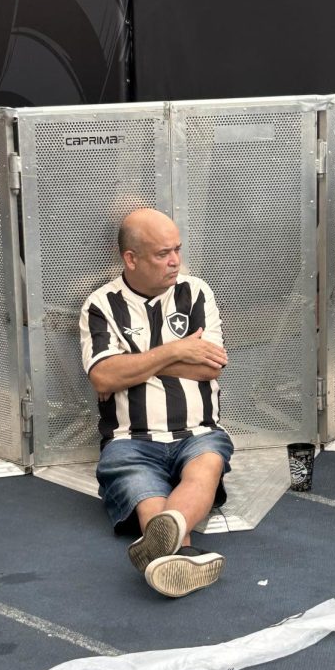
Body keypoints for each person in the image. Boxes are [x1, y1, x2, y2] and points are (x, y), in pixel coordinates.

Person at [79, 208, 234, 597]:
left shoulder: (197, 293)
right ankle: (177, 554)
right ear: (131, 259)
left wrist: (132, 364)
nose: (175, 261)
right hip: (130, 440)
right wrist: (179, 351)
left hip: (196, 433)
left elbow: (210, 367)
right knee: (141, 487)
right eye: (163, 253)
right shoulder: (100, 305)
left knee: (206, 464)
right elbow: (102, 376)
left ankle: (162, 549)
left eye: (177, 250)